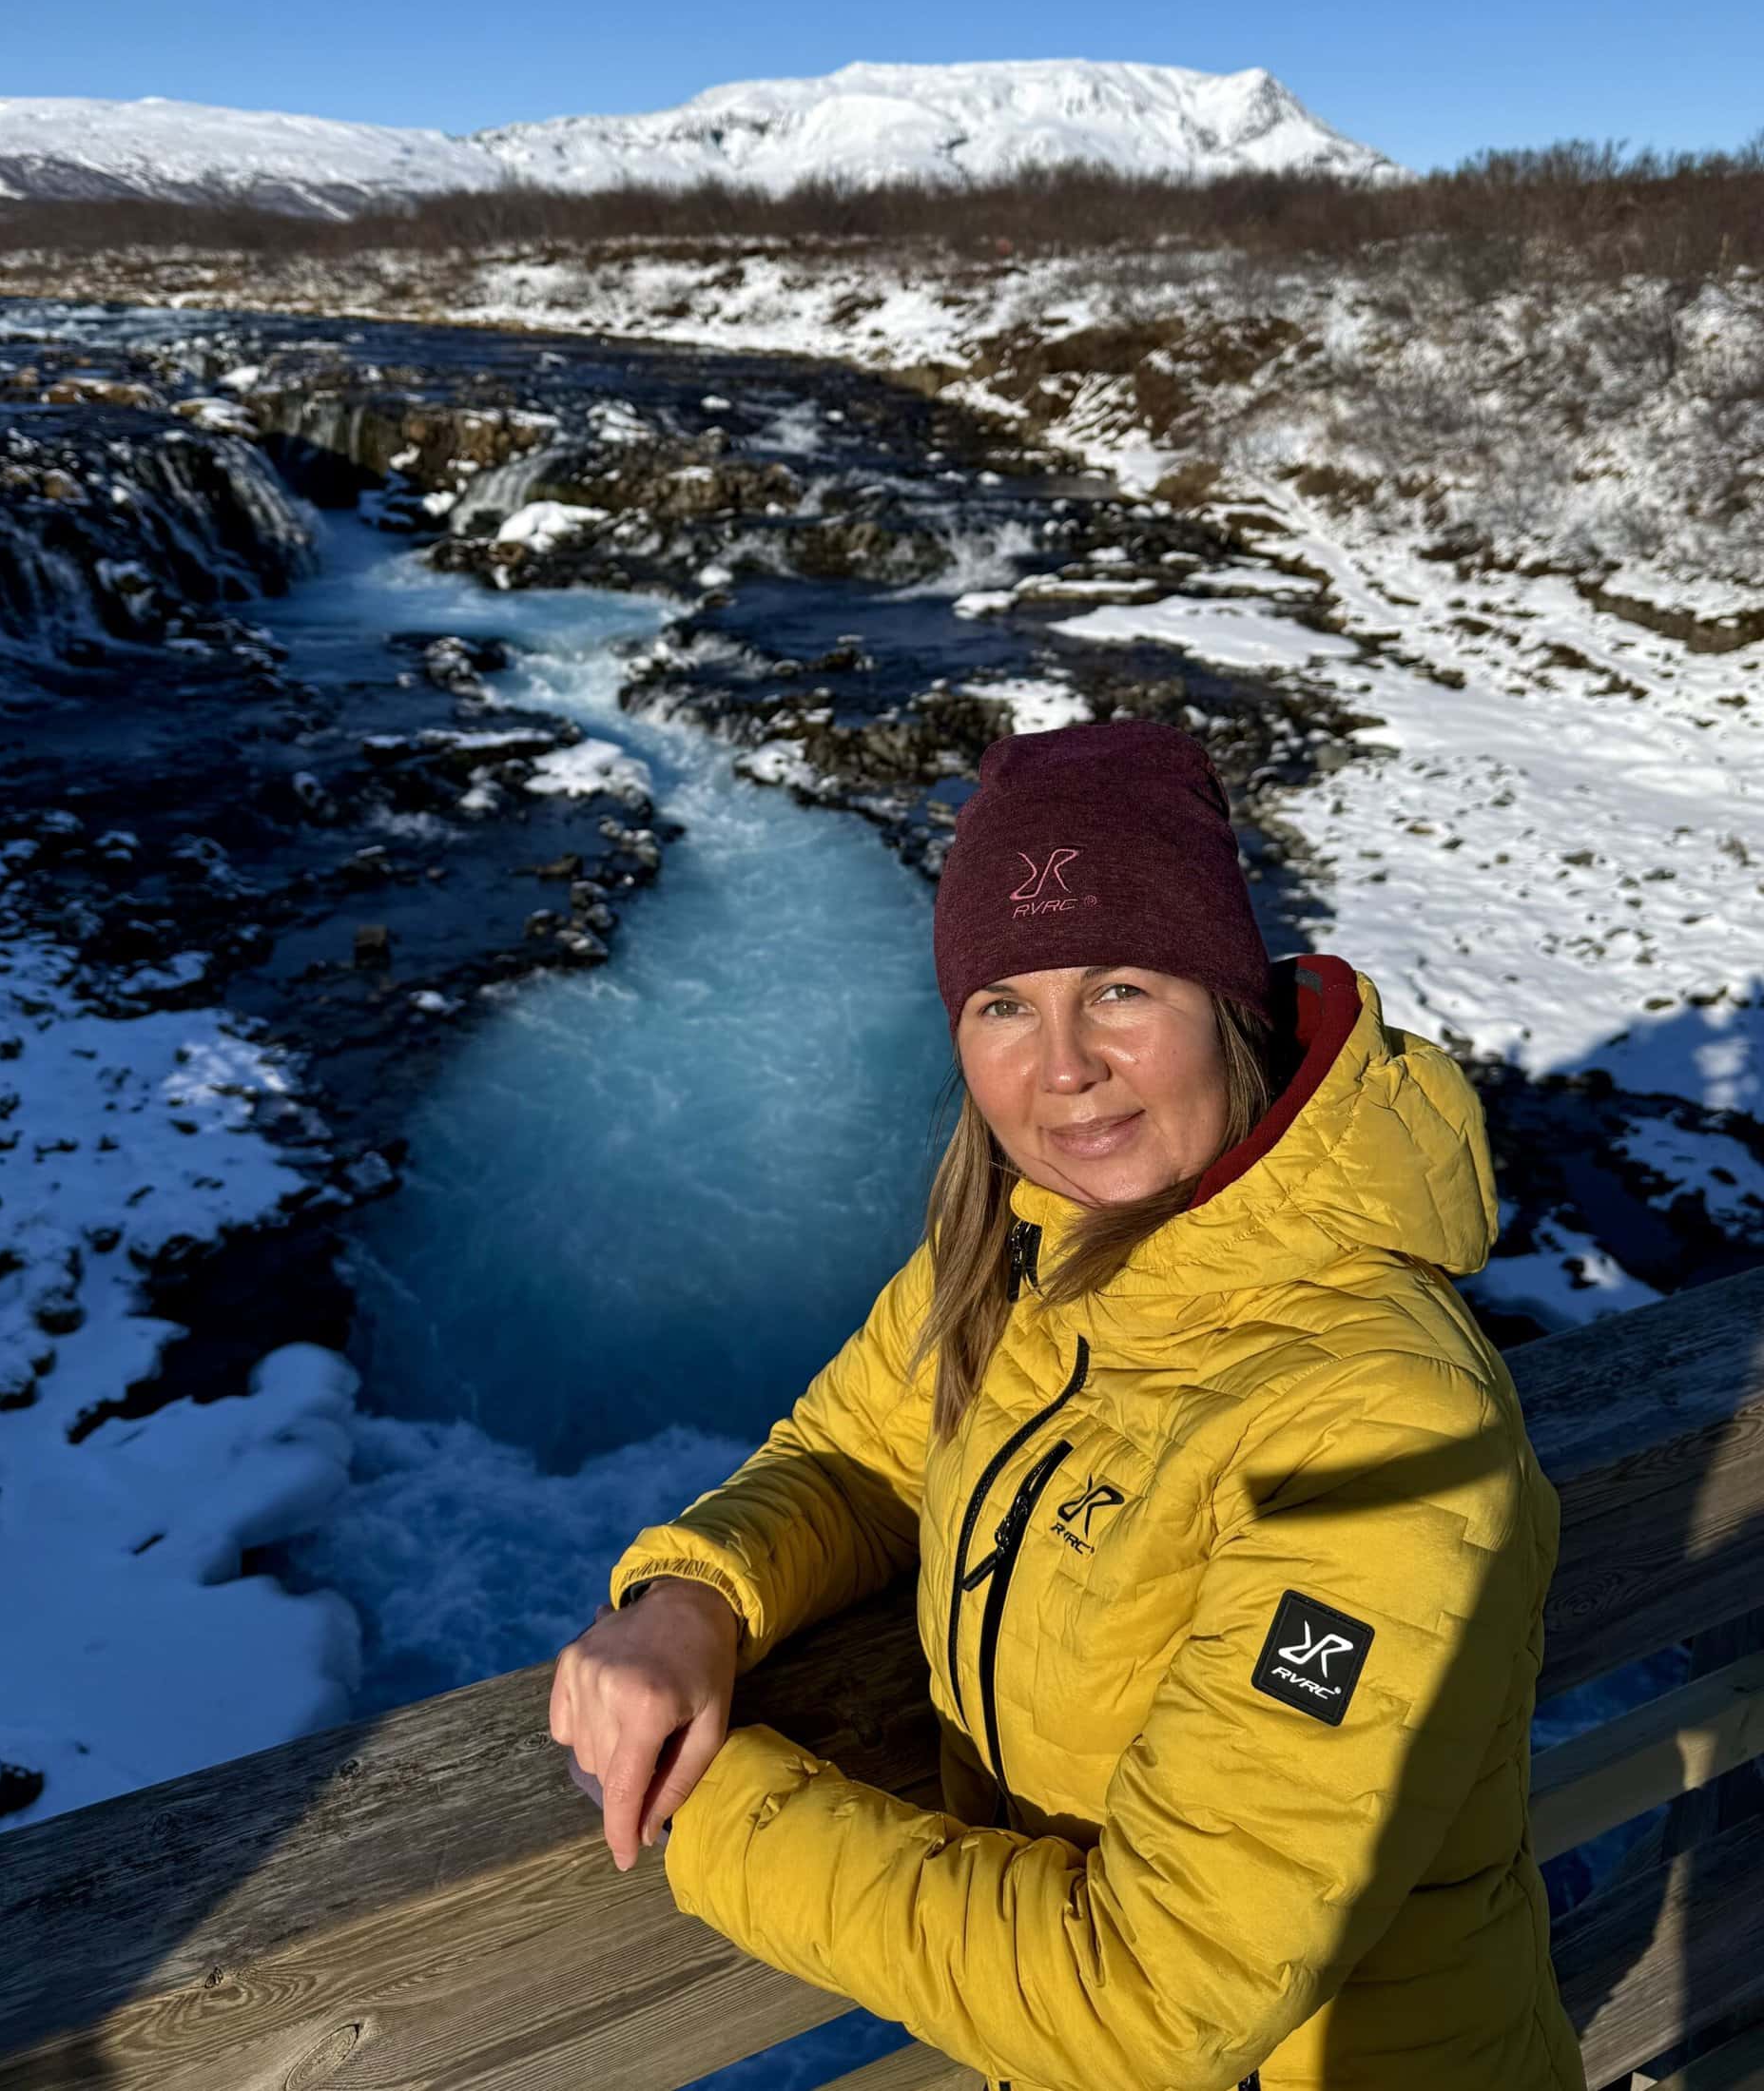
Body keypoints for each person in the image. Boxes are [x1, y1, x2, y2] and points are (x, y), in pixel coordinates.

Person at [550, 720, 1585, 2091]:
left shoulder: (1378, 1422)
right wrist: (693, 1597)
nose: (1062, 1068)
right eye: (1003, 1004)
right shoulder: (1028, 1246)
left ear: (1228, 1001)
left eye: (1118, 989)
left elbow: (1155, 1996)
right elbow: (861, 1453)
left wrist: (707, 1804)